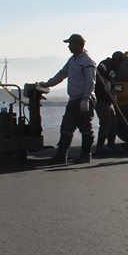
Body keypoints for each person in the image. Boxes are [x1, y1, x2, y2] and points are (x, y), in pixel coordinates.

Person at [41, 33, 96, 164]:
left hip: (84, 99)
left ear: (79, 45)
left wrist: (86, 98)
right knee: (66, 127)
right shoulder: (72, 60)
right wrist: (48, 83)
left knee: (85, 128)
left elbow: (91, 81)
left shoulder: (87, 61)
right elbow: (62, 74)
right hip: (73, 99)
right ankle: (61, 156)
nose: (69, 47)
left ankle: (85, 155)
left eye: (70, 44)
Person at [94, 50, 127, 156]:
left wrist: (113, 93)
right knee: (106, 122)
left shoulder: (117, 69)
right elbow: (97, 74)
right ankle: (100, 146)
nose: (121, 65)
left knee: (114, 121)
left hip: (109, 99)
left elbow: (115, 83)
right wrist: (105, 82)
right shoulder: (105, 64)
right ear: (116, 60)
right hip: (100, 98)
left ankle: (111, 145)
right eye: (120, 62)